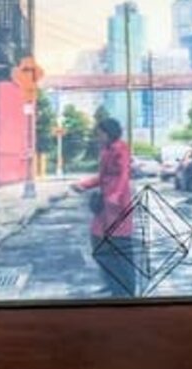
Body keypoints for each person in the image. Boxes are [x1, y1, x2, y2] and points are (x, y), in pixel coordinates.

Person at [74, 116, 135, 296]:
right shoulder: (105, 150)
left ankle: (127, 290)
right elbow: (102, 177)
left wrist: (116, 195)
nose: (98, 137)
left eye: (100, 134)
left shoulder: (120, 149)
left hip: (118, 205)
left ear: (109, 133)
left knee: (120, 248)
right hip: (105, 205)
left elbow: (124, 174)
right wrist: (83, 185)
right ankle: (112, 282)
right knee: (99, 242)